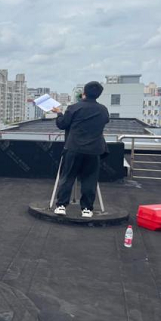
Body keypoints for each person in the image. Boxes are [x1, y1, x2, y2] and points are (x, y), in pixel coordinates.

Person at [52, 81, 109, 218]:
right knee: (90, 179)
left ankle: (61, 206)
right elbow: (104, 121)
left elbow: (62, 124)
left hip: (74, 148)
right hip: (94, 150)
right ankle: (87, 209)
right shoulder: (103, 110)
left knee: (68, 177)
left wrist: (59, 113)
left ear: (84, 92)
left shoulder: (74, 107)